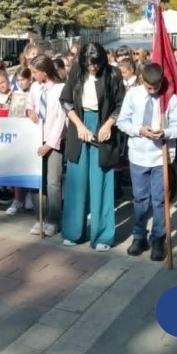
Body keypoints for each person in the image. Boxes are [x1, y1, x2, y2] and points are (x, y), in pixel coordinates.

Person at [59, 43, 124, 251]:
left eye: (95, 64)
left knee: (101, 181)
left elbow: (121, 103)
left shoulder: (113, 73)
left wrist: (108, 125)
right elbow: (66, 101)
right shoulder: (77, 71)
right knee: (76, 180)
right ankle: (73, 231)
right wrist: (78, 125)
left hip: (103, 125)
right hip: (79, 124)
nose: (92, 68)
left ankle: (103, 235)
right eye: (88, 64)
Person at [118, 63, 177, 261]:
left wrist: (165, 132)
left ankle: (158, 238)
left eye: (156, 88)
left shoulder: (168, 98)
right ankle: (139, 236)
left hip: (160, 157)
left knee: (159, 200)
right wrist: (139, 130)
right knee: (140, 199)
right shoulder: (133, 95)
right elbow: (122, 122)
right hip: (138, 155)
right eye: (149, 88)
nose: (153, 91)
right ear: (141, 80)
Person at [25, 55, 66, 237]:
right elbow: (29, 103)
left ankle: (54, 219)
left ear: (45, 71)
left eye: (35, 72)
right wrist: (30, 111)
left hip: (53, 142)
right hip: (35, 138)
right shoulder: (35, 87)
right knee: (36, 179)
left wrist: (49, 145)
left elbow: (60, 119)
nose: (32, 75)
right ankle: (39, 217)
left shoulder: (60, 89)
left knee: (53, 182)